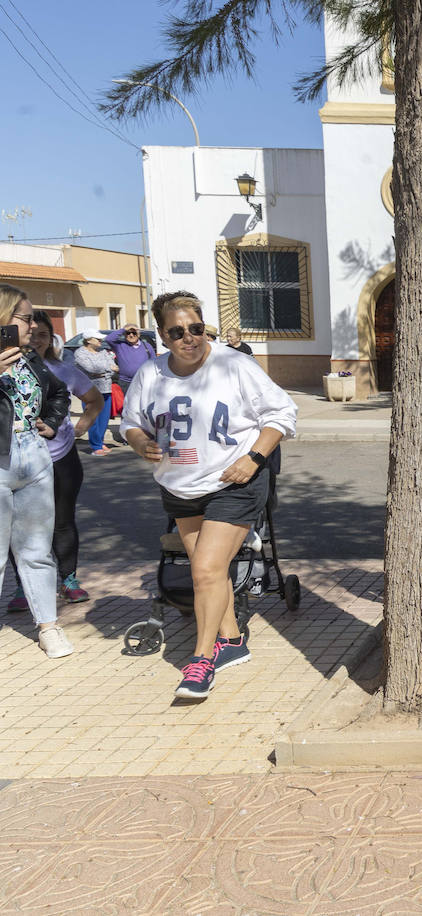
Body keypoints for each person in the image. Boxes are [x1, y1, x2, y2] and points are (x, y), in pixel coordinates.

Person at [122, 292, 297, 700]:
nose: (190, 338)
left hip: (234, 483)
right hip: (180, 487)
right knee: (210, 574)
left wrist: (254, 458)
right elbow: (130, 422)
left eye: (197, 328)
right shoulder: (150, 374)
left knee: (204, 571)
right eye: (178, 332)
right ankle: (232, 642)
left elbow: (282, 413)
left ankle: (200, 662)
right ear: (162, 336)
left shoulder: (234, 365)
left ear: (205, 327)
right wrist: (138, 443)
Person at [5, 311, 103, 612]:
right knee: (16, 528)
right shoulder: (5, 366)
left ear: (51, 340)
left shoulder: (62, 370)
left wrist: (81, 426)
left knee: (61, 521)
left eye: (43, 335)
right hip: (14, 459)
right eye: (32, 333)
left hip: (60, 458)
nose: (36, 339)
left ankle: (68, 580)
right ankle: (24, 586)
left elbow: (95, 399)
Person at [0, 285, 74, 658]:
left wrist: (51, 421)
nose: (33, 326)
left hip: (33, 455)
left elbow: (60, 392)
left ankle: (49, 626)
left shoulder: (29, 357)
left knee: (36, 550)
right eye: (26, 318)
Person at [72, 331, 116, 455]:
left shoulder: (103, 352)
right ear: (89, 340)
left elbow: (114, 368)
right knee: (92, 419)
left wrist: (103, 371)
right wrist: (107, 369)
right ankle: (95, 446)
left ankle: (100, 442)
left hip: (106, 388)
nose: (100, 342)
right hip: (89, 390)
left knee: (104, 418)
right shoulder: (80, 353)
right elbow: (91, 369)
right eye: (98, 339)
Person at [104, 322, 156, 390]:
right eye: (128, 333)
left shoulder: (147, 346)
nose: (131, 335)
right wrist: (124, 329)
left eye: (134, 333)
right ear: (124, 334)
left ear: (138, 334)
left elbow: (154, 362)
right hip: (125, 383)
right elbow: (108, 339)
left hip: (144, 381)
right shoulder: (119, 345)